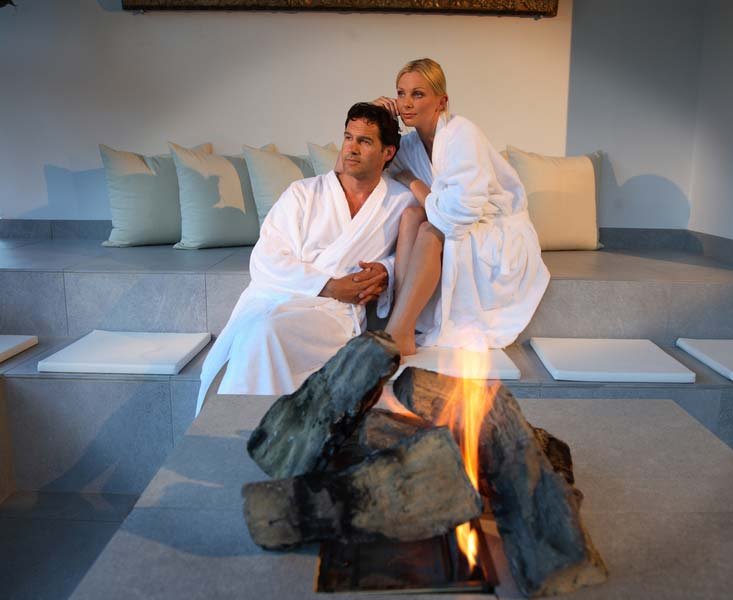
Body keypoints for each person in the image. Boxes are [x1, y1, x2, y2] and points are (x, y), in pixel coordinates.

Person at [195, 103, 414, 416]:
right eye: (348, 137)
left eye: (364, 141)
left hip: (336, 317)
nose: (351, 148)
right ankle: (251, 422)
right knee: (261, 331)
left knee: (264, 333)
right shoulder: (303, 193)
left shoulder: (398, 200)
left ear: (388, 152)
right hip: (284, 298)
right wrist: (329, 285)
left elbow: (405, 254)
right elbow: (265, 258)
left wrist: (385, 271)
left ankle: (259, 424)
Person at [373, 58, 550, 356]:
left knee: (429, 229)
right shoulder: (412, 145)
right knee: (411, 215)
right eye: (400, 93)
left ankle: (399, 331)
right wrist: (376, 116)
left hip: (493, 227)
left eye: (418, 94)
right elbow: (364, 166)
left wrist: (413, 182)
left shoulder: (462, 133)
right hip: (458, 222)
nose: (406, 103)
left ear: (441, 101)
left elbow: (457, 216)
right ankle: (401, 322)